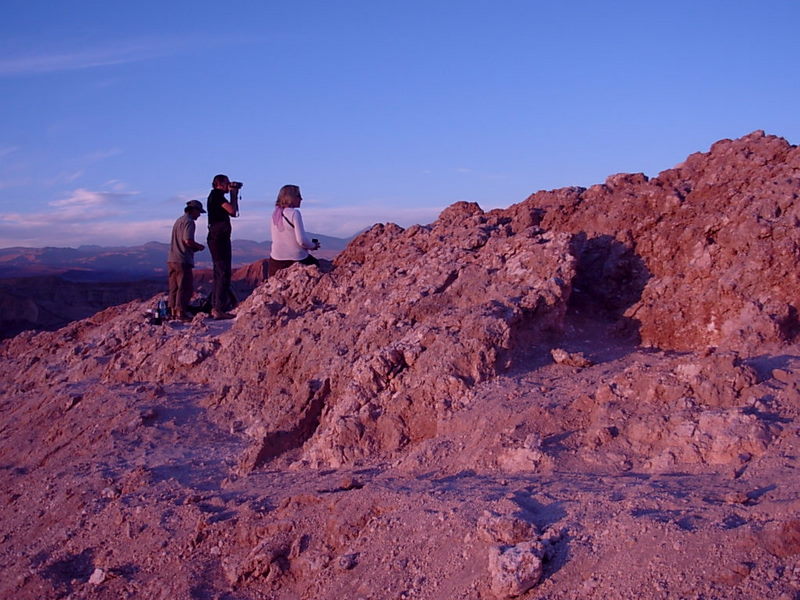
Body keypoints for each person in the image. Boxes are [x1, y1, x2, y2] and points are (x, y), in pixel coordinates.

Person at [206, 174, 240, 319]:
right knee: (222, 273)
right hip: (219, 239)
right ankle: (218, 309)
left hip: (218, 238)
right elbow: (232, 211)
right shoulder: (217, 195)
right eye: (226, 183)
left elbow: (234, 213)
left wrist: (234, 195)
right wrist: (233, 194)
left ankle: (216, 307)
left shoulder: (215, 196)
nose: (228, 185)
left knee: (219, 272)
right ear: (219, 183)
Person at [269, 184, 320, 278]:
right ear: (291, 197)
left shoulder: (275, 214)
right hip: (296, 259)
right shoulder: (294, 213)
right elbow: (302, 241)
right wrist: (313, 246)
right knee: (318, 268)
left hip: (276, 261)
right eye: (298, 196)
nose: (301, 199)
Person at [167, 200, 205, 321]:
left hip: (172, 259)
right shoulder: (189, 222)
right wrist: (199, 247)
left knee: (174, 287)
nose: (199, 215)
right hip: (182, 259)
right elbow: (187, 240)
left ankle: (172, 311)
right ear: (193, 210)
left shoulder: (178, 221)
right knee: (185, 287)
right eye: (198, 212)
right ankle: (181, 313)